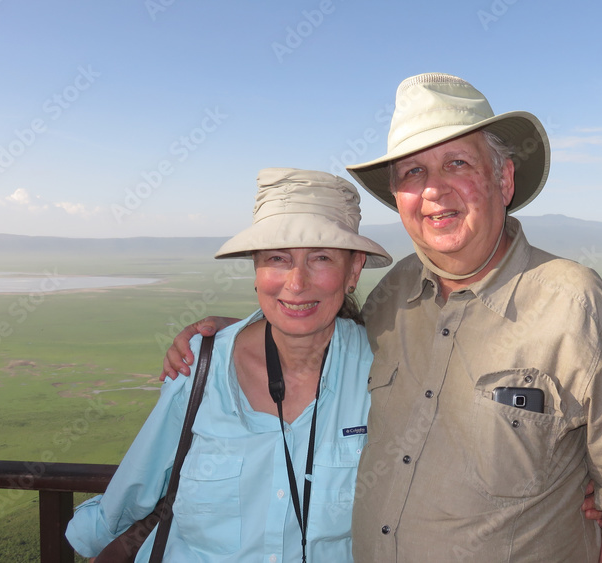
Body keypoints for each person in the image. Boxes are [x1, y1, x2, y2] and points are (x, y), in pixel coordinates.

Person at [166, 73, 602, 562]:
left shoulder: (575, 304)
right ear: (400, 197)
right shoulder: (393, 295)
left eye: (456, 164)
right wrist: (238, 330)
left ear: (504, 178)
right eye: (413, 172)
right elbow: (321, 337)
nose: (433, 190)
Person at [66, 168, 392, 562]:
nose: (296, 282)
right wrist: (88, 541)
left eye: (320, 258)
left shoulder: (383, 372)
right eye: (278, 258)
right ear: (256, 270)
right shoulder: (200, 368)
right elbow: (138, 482)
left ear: (353, 271)